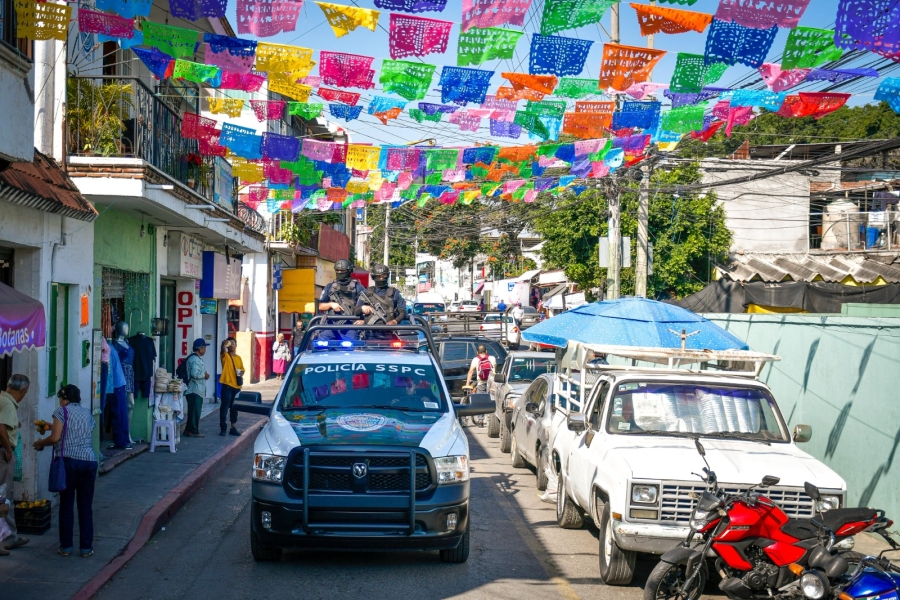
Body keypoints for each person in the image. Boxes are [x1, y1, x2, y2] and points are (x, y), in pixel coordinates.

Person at [34, 385, 96, 557]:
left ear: (63, 397)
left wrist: (40, 443)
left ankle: (66, 547)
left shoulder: (61, 412)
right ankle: (86, 548)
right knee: (85, 507)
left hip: (69, 462)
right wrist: (50, 426)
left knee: (67, 505)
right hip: (89, 461)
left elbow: (55, 438)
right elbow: (77, 432)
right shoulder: (87, 413)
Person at [0, 374, 30, 554]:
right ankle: (8, 538)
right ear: (23, 391)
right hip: (3, 453)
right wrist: (8, 450)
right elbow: (1, 427)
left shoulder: (2, 399)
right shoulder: (8, 403)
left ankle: (9, 537)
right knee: (4, 496)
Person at [317, 259, 366, 340]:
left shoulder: (358, 287)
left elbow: (366, 307)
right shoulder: (329, 287)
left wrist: (363, 320)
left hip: (350, 327)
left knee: (353, 350)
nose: (339, 272)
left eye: (342, 270)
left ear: (349, 271)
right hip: (331, 326)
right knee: (319, 346)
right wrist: (331, 305)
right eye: (337, 270)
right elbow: (320, 306)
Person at [355, 263, 407, 328]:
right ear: (374, 277)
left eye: (383, 276)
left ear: (387, 276)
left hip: (389, 332)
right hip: (369, 332)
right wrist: (362, 308)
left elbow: (403, 311)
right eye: (378, 276)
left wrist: (395, 321)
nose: (381, 278)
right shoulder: (366, 292)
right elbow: (356, 311)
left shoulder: (394, 293)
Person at [182, 339, 210, 438]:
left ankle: (189, 430)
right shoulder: (194, 359)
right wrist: (204, 375)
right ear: (200, 348)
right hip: (194, 389)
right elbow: (194, 373)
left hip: (197, 390)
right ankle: (193, 431)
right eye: (204, 347)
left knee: (194, 411)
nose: (205, 349)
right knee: (194, 411)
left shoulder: (196, 358)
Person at [219, 338, 244, 436]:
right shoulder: (225, 356)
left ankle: (233, 427)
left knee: (234, 408)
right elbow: (222, 350)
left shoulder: (238, 358)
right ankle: (223, 427)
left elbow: (242, 370)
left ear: (236, 345)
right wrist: (223, 344)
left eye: (234, 343)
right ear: (228, 345)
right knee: (224, 407)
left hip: (237, 386)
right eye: (230, 343)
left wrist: (241, 372)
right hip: (227, 385)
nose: (232, 345)